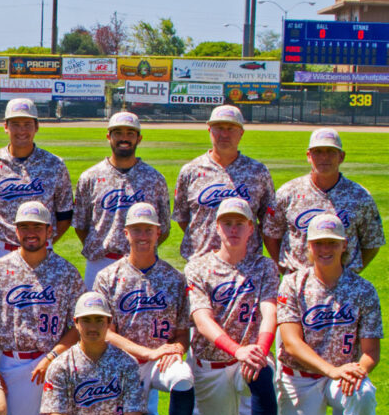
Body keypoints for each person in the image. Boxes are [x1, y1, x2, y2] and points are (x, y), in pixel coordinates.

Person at [276, 214, 379, 415]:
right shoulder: (293, 284)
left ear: (344, 245)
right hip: (301, 378)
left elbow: (371, 351)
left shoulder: (363, 290)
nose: (325, 249)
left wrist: (358, 370)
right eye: (319, 243)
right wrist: (331, 370)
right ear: (308, 246)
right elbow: (292, 343)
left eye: (332, 243)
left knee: (363, 393)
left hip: (343, 376)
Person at [185, 197, 282, 415]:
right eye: (227, 223)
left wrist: (260, 351)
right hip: (212, 365)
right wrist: (236, 349)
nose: (233, 229)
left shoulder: (264, 266)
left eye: (240, 223)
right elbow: (202, 321)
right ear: (216, 227)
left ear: (251, 228)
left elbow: (270, 313)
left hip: (248, 360)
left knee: (263, 373)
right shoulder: (198, 266)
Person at [93, 202, 195, 415]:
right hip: (119, 363)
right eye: (136, 230)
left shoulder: (174, 278)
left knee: (184, 376)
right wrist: (147, 353)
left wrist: (178, 348)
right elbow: (106, 332)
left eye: (148, 230)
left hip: (159, 363)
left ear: (158, 233)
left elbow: (182, 332)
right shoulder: (108, 277)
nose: (142, 236)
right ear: (125, 233)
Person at [33, 292, 165, 415]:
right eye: (86, 320)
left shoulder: (127, 363)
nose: (93, 327)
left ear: (108, 323)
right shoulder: (61, 365)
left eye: (99, 320)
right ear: (76, 323)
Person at [0, 201, 82, 415]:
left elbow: (80, 326)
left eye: (37, 226)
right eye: (24, 226)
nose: (30, 232)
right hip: (10, 358)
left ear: (50, 231)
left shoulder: (66, 272)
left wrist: (52, 356)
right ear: (16, 231)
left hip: (54, 359)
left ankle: (48, 414)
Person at [0, 98, 73, 269]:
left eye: (27, 124)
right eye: (15, 124)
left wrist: (41, 242)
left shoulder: (54, 164)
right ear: (5, 127)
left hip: (41, 251)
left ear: (37, 127)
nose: (21, 130)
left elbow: (64, 215)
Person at [264, 127, 382, 276]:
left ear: (341, 156)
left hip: (342, 287)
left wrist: (351, 274)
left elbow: (372, 242)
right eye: (318, 152)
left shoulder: (359, 196)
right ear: (308, 155)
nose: (324, 157)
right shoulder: (288, 192)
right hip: (298, 285)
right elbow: (270, 234)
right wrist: (285, 271)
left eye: (331, 152)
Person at [72, 112, 171, 288]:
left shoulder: (154, 178)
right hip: (100, 261)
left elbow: (163, 228)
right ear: (108, 136)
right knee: (96, 314)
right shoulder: (90, 177)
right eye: (118, 133)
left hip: (142, 264)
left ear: (139, 138)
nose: (124, 138)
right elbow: (81, 225)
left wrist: (142, 249)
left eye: (130, 133)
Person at [172, 104, 274, 261]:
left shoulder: (258, 171)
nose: (224, 134)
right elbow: (183, 218)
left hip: (247, 266)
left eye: (231, 128)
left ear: (241, 133)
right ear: (209, 130)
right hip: (201, 265)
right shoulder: (191, 171)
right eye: (218, 127)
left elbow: (268, 221)